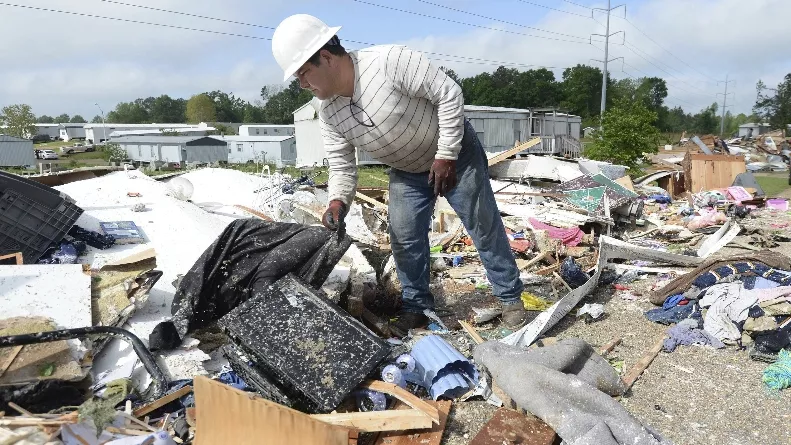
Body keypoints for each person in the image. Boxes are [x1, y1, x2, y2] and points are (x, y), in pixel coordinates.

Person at [272, 14, 526, 335]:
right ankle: (417, 308)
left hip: (455, 155)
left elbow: (449, 94)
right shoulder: (328, 111)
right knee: (404, 239)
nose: (302, 84)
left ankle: (510, 299)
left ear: (326, 57)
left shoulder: (389, 62)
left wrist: (446, 154)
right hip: (407, 170)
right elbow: (341, 165)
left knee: (483, 225)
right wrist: (337, 202)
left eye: (304, 73)